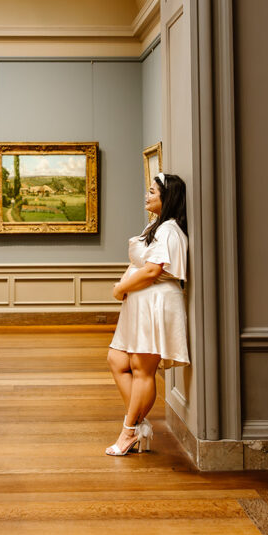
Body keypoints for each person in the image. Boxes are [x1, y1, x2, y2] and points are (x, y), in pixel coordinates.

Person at [106, 172, 189, 456]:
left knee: (143, 370)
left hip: (155, 305)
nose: (147, 195)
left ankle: (129, 431)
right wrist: (125, 288)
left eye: (152, 192)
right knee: (117, 359)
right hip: (140, 305)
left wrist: (120, 289)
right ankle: (139, 423)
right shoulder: (157, 226)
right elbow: (143, 265)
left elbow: (154, 271)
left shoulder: (168, 231)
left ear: (167, 198)